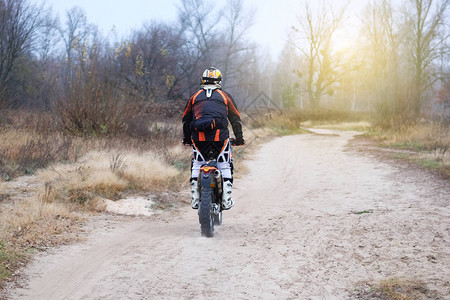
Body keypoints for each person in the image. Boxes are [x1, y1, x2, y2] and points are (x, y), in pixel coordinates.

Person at [182, 67, 245, 210]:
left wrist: (187, 139)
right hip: (220, 139)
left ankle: (195, 198)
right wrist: (239, 138)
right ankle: (226, 200)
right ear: (219, 81)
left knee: (197, 164)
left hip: (198, 139)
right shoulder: (225, 96)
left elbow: (186, 120)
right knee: (224, 165)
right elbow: (236, 119)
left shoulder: (194, 96)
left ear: (203, 80)